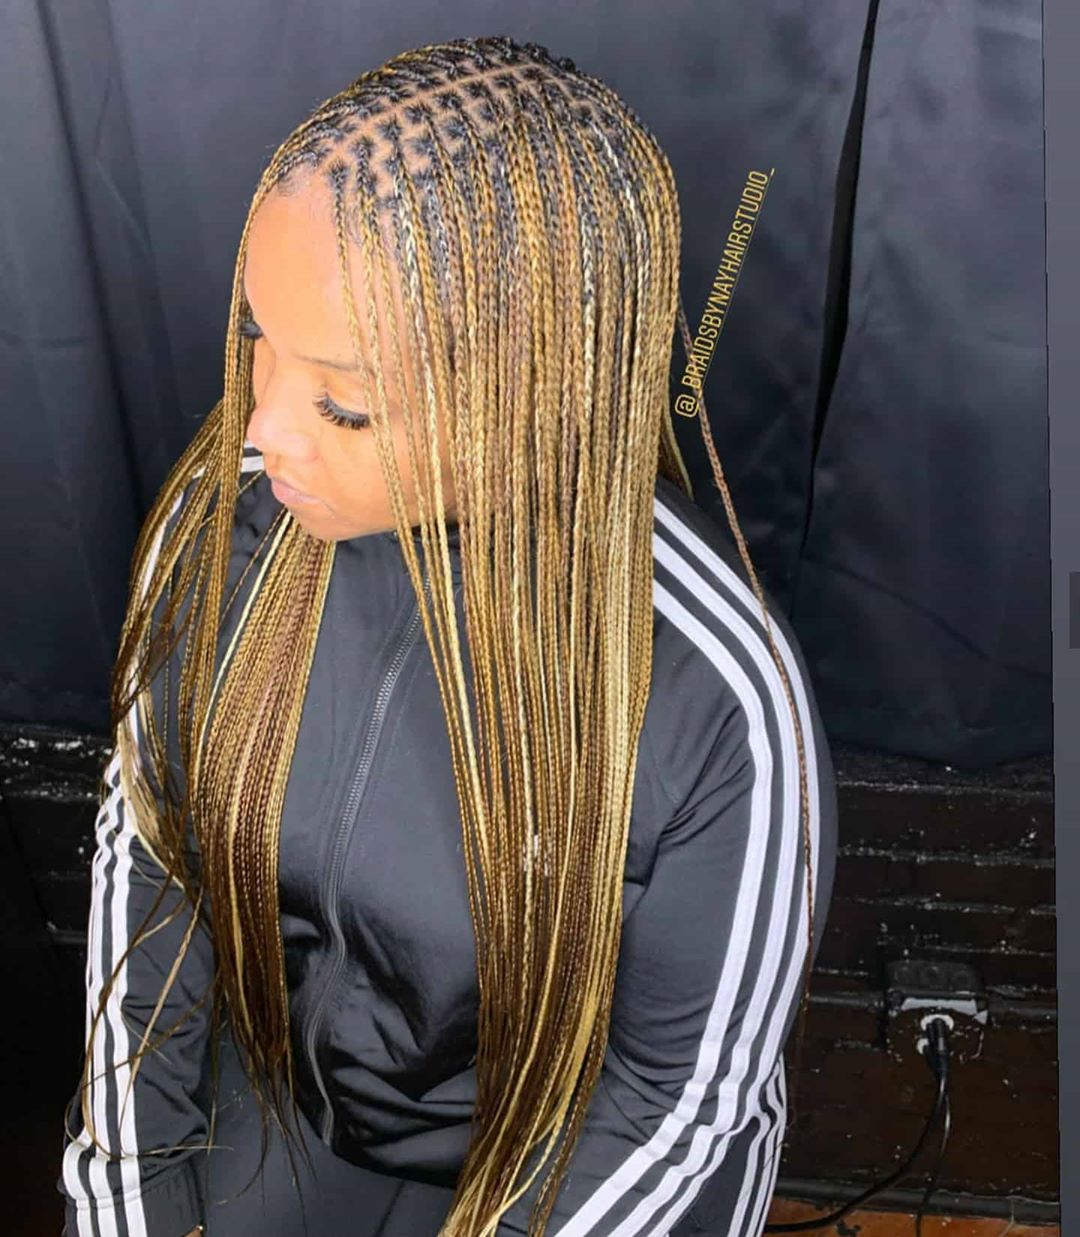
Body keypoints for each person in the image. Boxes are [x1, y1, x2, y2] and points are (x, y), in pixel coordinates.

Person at [57, 35, 838, 1237]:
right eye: (258, 337)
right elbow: (154, 867)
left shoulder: (720, 704)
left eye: (344, 401)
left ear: (527, 390)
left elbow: (673, 1107)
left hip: (568, 1170)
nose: (260, 431)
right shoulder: (225, 531)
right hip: (289, 1111)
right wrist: (126, 1204)